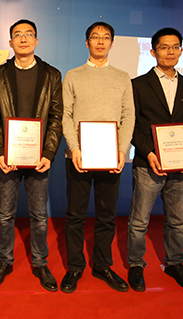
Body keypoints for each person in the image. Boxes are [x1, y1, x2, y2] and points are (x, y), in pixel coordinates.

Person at [0, 19, 63, 292]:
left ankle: (40, 262)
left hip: (39, 157)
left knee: (39, 214)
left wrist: (49, 152)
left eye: (29, 34)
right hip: (7, 157)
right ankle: (4, 260)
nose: (23, 39)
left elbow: (56, 116)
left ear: (36, 41)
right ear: (10, 42)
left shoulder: (52, 74)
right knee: (5, 213)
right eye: (17, 35)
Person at [60, 21, 134, 294]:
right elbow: (66, 115)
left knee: (106, 215)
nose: (100, 41)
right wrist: (74, 147)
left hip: (111, 157)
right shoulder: (73, 75)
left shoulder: (122, 77)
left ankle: (102, 265)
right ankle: (74, 267)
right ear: (87, 42)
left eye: (105, 37)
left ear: (112, 43)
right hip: (78, 156)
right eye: (95, 37)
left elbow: (129, 116)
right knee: (75, 215)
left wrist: (122, 150)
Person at [126, 28, 183, 292]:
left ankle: (174, 263)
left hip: (179, 164)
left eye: (175, 46)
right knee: (139, 221)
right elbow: (132, 125)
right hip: (148, 164)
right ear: (153, 51)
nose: (170, 51)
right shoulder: (137, 85)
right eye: (164, 47)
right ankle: (136, 264)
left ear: (181, 50)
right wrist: (149, 152)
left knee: (177, 220)